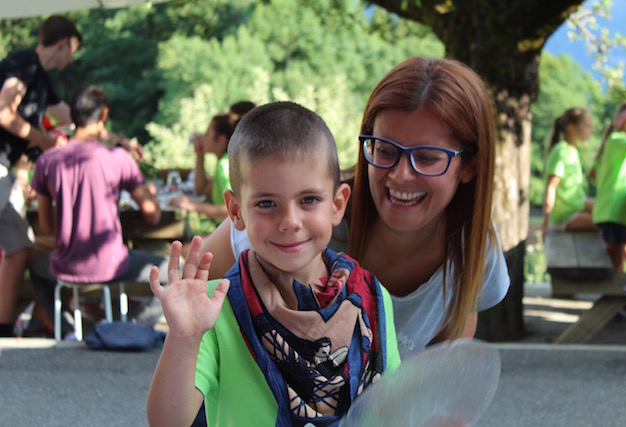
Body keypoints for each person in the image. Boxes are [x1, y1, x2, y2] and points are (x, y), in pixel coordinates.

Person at [201, 57, 510, 359]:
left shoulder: (474, 248)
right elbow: (196, 291)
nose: (401, 174)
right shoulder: (306, 217)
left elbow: (443, 366)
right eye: (385, 150)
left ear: (469, 166)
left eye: (427, 158)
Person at [147, 102, 400, 426]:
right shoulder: (214, 309)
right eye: (267, 203)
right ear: (236, 211)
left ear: (337, 205)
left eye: (309, 200)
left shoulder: (371, 297)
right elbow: (167, 422)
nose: (290, 221)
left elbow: (393, 410)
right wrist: (183, 338)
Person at [0, 15, 141, 337]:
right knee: (20, 246)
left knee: (20, 247)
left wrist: (119, 141)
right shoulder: (25, 62)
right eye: (74, 49)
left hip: (7, 169)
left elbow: (75, 119)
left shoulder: (40, 79)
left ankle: (4, 329)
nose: (72, 58)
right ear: (63, 43)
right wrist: (45, 141)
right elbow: (3, 111)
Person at [28, 85, 171, 337]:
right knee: (175, 273)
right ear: (104, 115)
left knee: (35, 269)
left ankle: (69, 329)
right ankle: (134, 327)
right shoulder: (119, 159)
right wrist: (149, 193)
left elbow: (47, 226)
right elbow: (153, 215)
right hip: (113, 264)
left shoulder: (47, 162)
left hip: (65, 264)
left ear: (71, 116)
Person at [591, 99, 626, 273]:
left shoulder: (612, 143)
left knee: (621, 259)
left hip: (615, 213)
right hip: (613, 214)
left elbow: (592, 174)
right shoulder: (618, 139)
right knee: (616, 265)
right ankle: (622, 290)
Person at [169, 113, 237, 224]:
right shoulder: (225, 161)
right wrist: (199, 154)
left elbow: (233, 211)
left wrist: (191, 206)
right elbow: (201, 190)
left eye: (207, 133)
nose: (202, 138)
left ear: (221, 140)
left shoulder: (225, 166)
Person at [542, 107, 597, 237]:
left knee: (610, 214)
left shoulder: (572, 150)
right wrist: (546, 223)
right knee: (606, 224)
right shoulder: (561, 151)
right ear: (572, 128)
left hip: (577, 205)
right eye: (587, 126)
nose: (591, 130)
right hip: (565, 215)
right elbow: (551, 187)